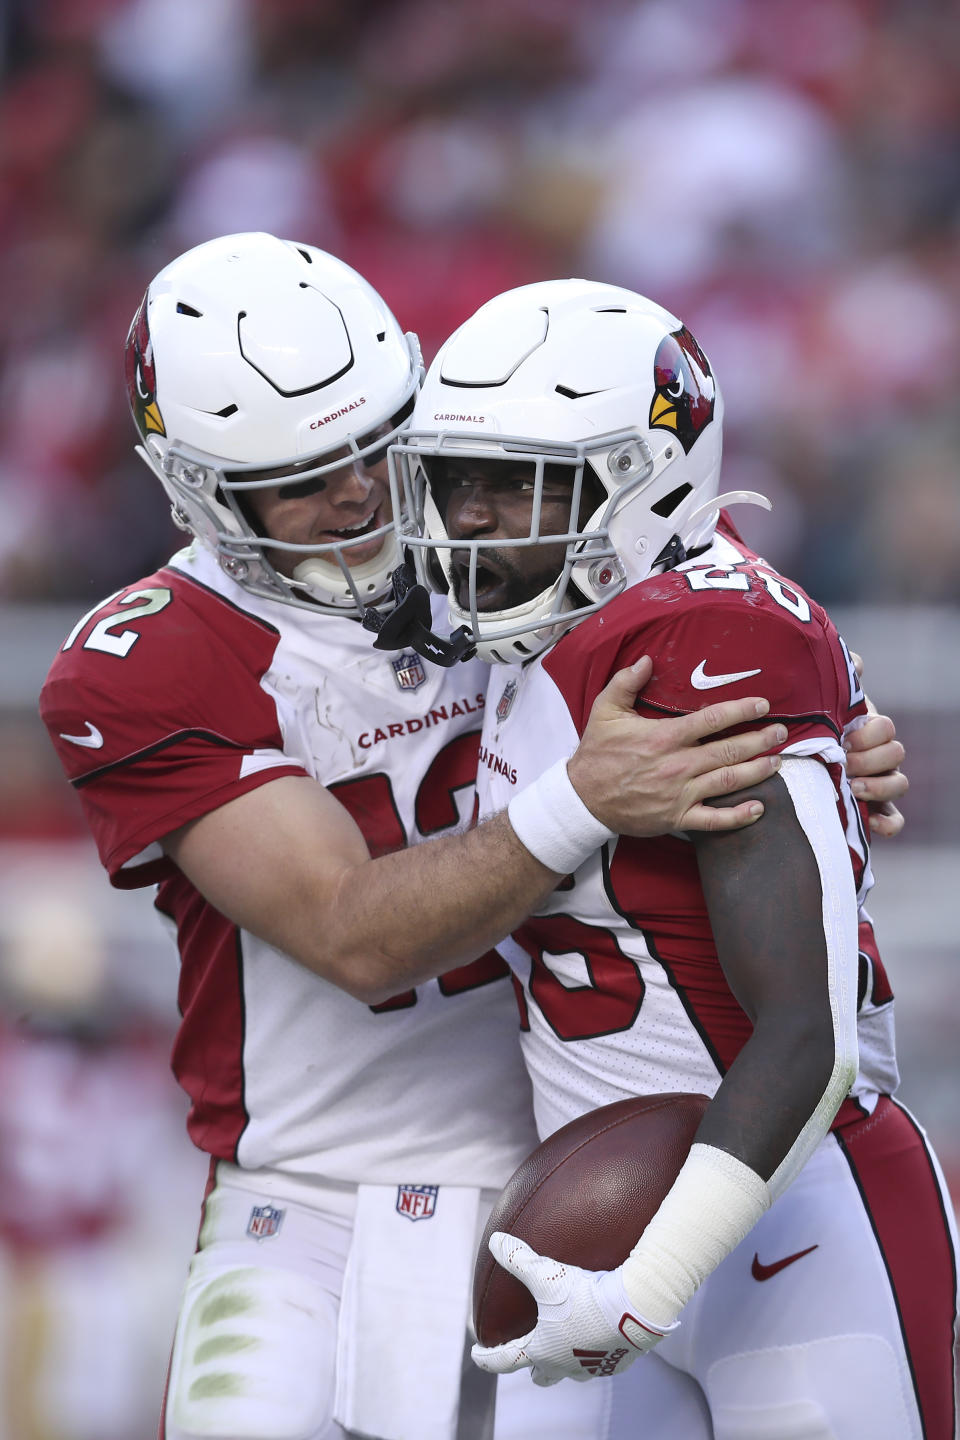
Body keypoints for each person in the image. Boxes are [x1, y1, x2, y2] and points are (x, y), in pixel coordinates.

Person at [38, 233, 821, 1440]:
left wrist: (831, 736)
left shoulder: (514, 548)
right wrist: (584, 799)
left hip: (560, 1173)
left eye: (376, 450)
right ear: (197, 487)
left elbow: (728, 617)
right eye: (301, 478)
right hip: (307, 1205)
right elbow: (356, 935)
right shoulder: (147, 657)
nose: (355, 497)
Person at [390, 278, 957, 1440]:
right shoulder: (551, 621)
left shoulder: (707, 635)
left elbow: (810, 1035)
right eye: (455, 483)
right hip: (584, 1226)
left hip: (792, 1224)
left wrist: (643, 1291)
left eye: (517, 487)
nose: (473, 524)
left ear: (643, 486)